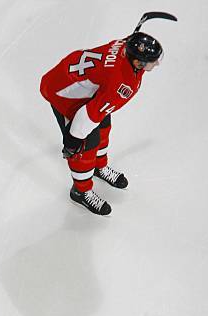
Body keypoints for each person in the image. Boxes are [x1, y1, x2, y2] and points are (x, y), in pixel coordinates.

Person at [40, 31, 164, 216]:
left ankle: (99, 166)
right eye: (152, 61)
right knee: (87, 143)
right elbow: (86, 117)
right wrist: (73, 141)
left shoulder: (125, 46)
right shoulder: (120, 85)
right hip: (64, 93)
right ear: (138, 62)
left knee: (104, 126)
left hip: (81, 82)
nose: (156, 64)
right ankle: (80, 192)